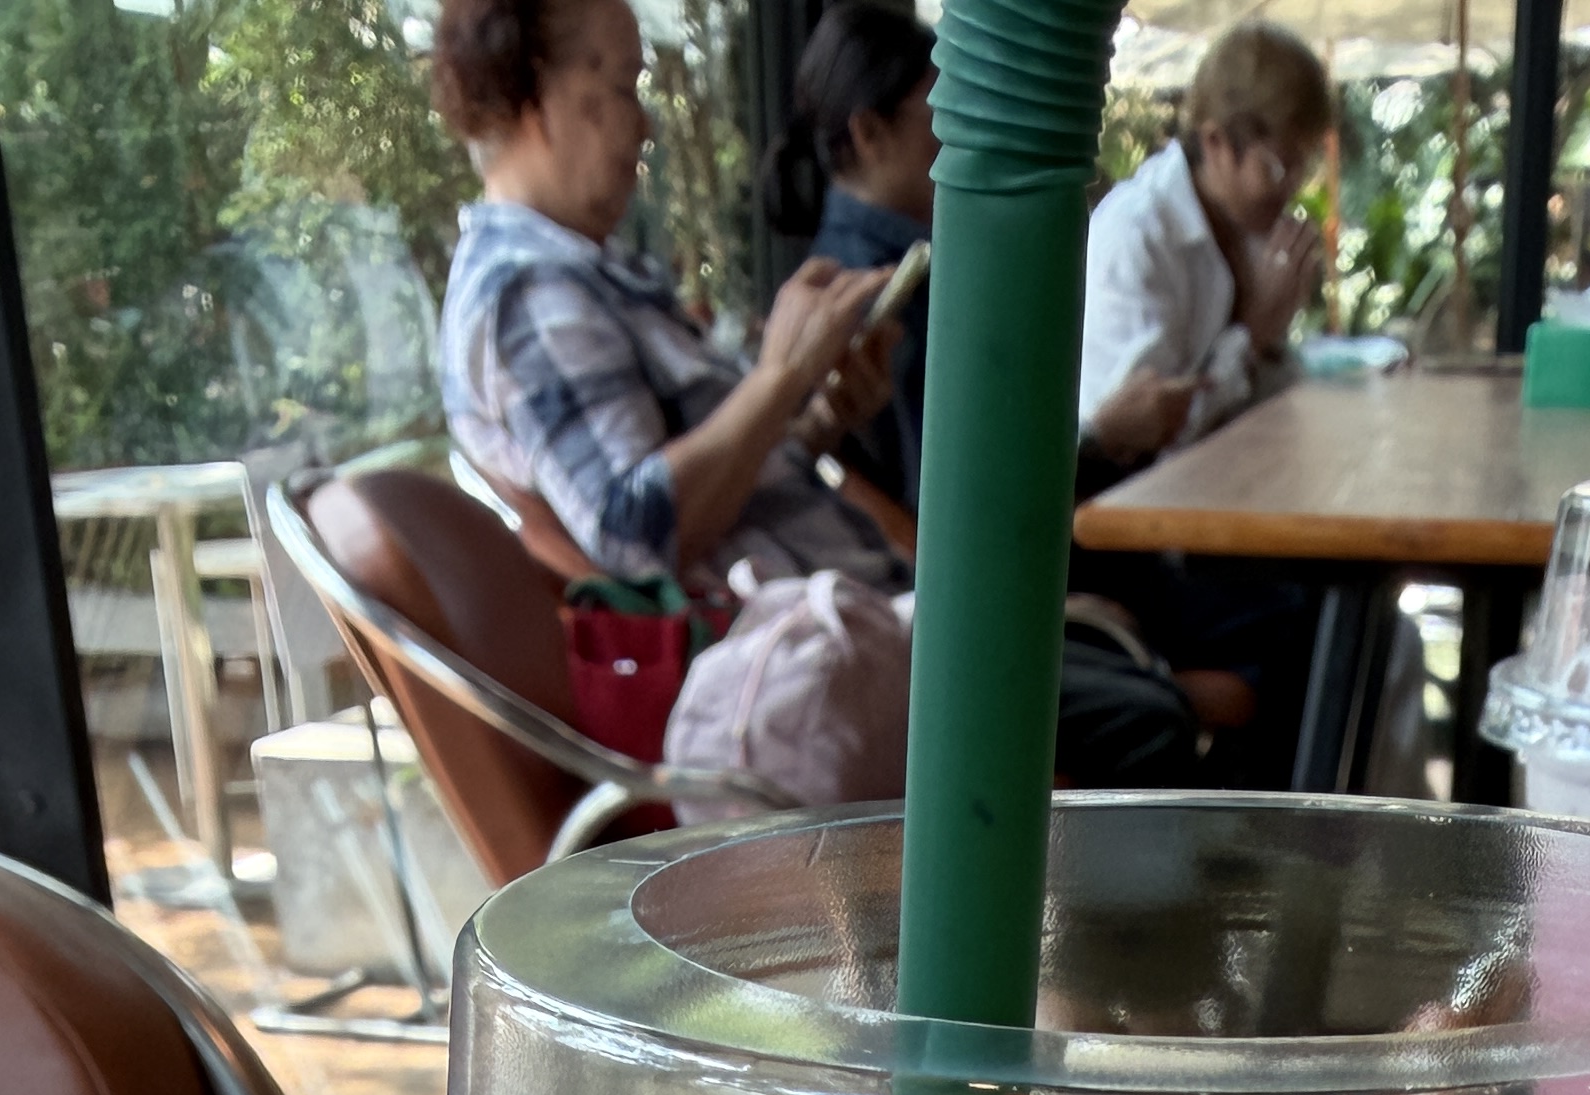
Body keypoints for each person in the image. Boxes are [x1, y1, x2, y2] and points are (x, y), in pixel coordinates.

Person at [431, 0, 1202, 784]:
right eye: (624, 88)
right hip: (810, 686)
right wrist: (783, 376)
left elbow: (707, 504)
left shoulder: (587, 277)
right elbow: (633, 535)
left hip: (854, 639)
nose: (646, 124)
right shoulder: (532, 292)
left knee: (1141, 687)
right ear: (534, 96)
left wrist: (816, 422)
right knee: (1147, 721)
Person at [1077, 21, 1332, 471]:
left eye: (1304, 167)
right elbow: (1152, 442)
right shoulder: (1139, 235)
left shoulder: (1246, 229)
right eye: (1278, 167)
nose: (1291, 187)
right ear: (1215, 142)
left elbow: (1268, 397)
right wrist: (1252, 335)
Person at [760, 1, 935, 519]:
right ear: (869, 133)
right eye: (941, 114)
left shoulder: (857, 269)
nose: (958, 137)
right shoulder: (869, 295)